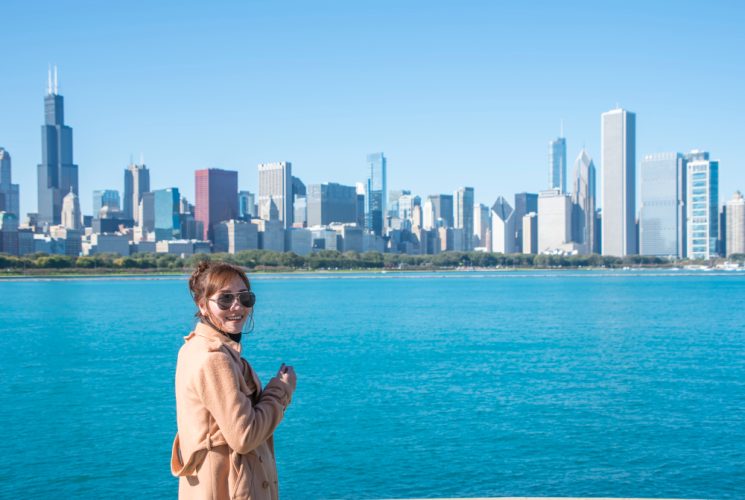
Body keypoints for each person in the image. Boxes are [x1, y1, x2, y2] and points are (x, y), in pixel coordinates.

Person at [171, 261, 296, 499]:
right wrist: (281, 391)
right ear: (203, 306)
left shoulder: (196, 347)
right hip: (226, 490)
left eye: (244, 298)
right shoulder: (214, 358)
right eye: (225, 299)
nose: (237, 306)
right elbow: (244, 437)